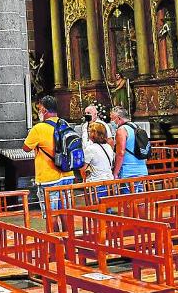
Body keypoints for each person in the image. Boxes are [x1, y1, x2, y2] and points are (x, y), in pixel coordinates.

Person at [24, 96, 76, 225]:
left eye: (40, 109)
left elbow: (26, 148)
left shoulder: (38, 128)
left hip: (49, 177)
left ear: (45, 110)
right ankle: (68, 242)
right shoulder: (65, 124)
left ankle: (54, 244)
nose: (39, 111)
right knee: (65, 211)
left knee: (51, 213)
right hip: (67, 174)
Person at [110, 106, 148, 190]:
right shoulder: (137, 127)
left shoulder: (122, 130)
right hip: (142, 169)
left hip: (128, 171)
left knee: (128, 200)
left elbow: (120, 153)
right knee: (140, 200)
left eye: (112, 119)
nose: (111, 121)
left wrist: (115, 173)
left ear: (118, 118)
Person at [83, 121, 116, 199]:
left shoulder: (91, 149)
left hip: (96, 183)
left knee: (96, 208)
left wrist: (84, 180)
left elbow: (83, 167)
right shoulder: (108, 147)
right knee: (107, 208)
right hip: (109, 181)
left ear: (93, 134)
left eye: (89, 132)